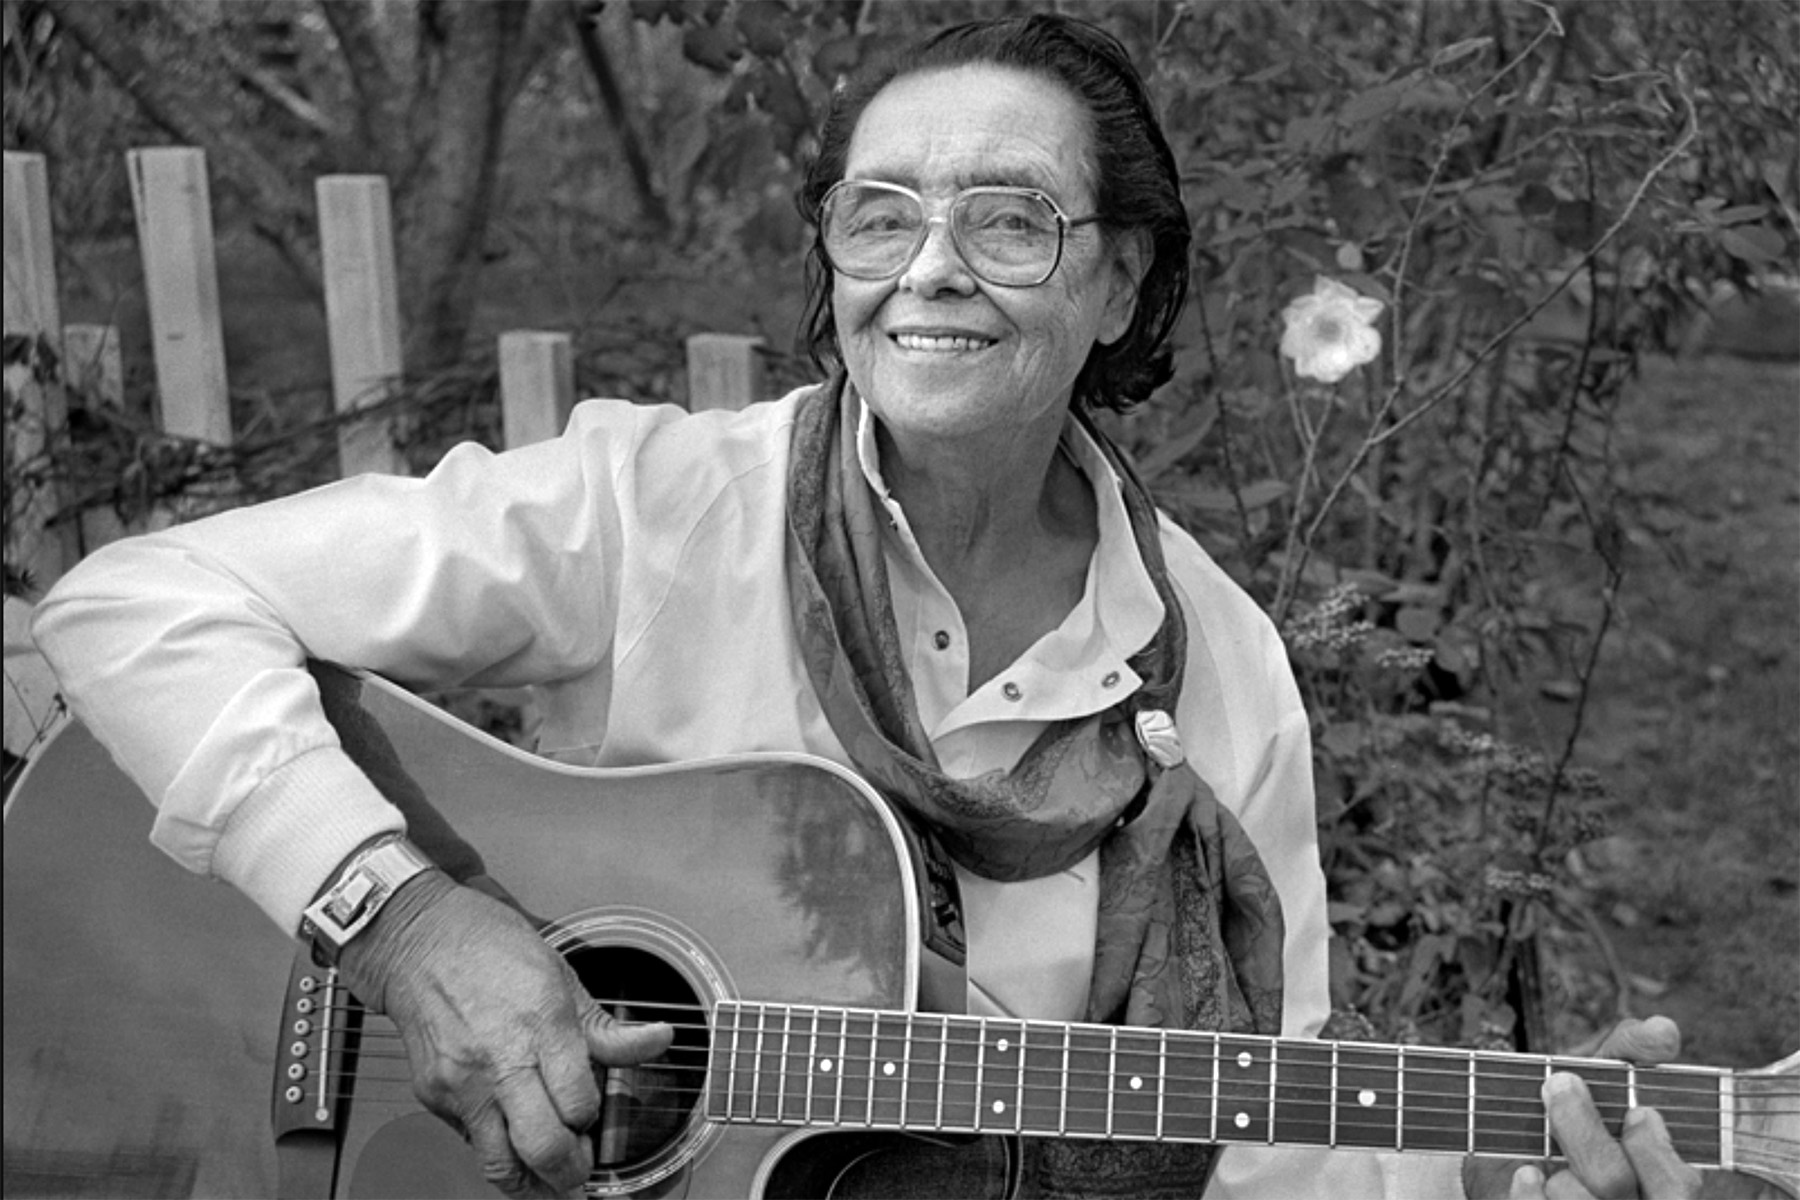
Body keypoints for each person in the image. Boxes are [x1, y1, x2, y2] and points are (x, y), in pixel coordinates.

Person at [31, 14, 1725, 1200]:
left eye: (1008, 220)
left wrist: (1510, 1176)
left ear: (1121, 276)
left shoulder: (1221, 680)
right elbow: (135, 604)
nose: (928, 266)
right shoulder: (657, 508)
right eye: (881, 214)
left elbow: (1267, 1153)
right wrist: (409, 932)